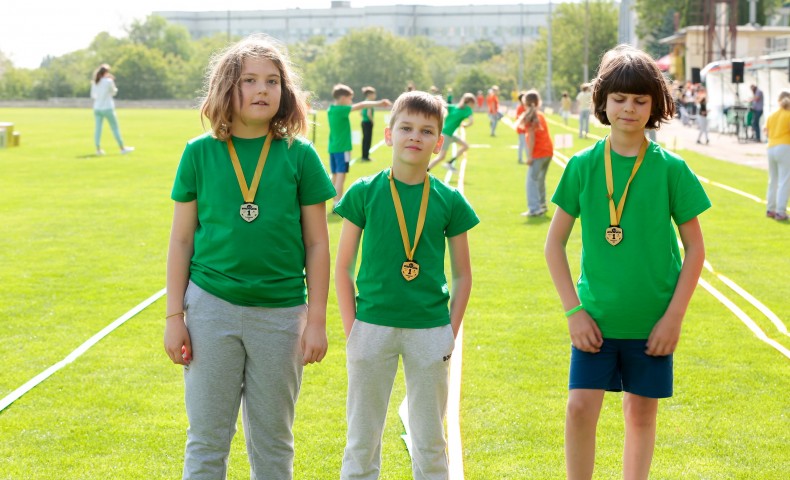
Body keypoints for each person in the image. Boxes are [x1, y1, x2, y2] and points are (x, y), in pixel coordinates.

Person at [163, 35, 337, 479]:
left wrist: (316, 318)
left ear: (286, 92)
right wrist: (173, 316)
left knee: (273, 442)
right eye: (250, 80)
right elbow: (181, 240)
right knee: (206, 439)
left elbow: (318, 244)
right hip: (209, 310)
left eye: (273, 81)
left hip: (280, 315)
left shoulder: (301, 156)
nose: (263, 90)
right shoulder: (198, 153)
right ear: (227, 88)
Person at [544, 45, 710, 480]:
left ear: (656, 105)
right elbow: (553, 245)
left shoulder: (672, 169)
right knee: (580, 409)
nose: (629, 108)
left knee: (640, 415)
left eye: (640, 100)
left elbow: (696, 249)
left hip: (652, 324)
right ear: (602, 101)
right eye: (619, 98)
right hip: (594, 322)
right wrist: (574, 312)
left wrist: (673, 318)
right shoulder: (581, 166)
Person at [334, 90, 479, 480]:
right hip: (371, 327)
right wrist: (353, 328)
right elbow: (343, 266)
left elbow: (463, 273)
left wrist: (451, 329)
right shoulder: (364, 192)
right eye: (406, 128)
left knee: (431, 442)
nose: (415, 136)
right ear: (388, 134)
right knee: (361, 440)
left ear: (439, 142)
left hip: (430, 329)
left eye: (426, 130)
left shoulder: (450, 200)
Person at [328, 84, 392, 206]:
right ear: (342, 98)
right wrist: (380, 103)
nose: (351, 102)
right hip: (343, 149)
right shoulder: (342, 110)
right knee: (341, 176)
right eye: (350, 98)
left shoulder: (330, 109)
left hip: (333, 148)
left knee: (335, 175)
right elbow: (362, 105)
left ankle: (329, 200)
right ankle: (336, 203)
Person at [518, 89, 554, 217]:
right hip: (548, 151)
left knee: (531, 181)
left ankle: (534, 208)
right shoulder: (540, 114)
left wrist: (529, 156)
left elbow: (532, 138)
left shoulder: (530, 116)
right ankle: (542, 205)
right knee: (540, 179)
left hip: (539, 153)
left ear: (525, 103)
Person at [90, 64, 133, 155]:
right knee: (115, 128)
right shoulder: (108, 81)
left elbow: (93, 95)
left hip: (97, 108)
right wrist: (112, 81)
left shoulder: (95, 82)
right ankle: (122, 148)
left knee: (98, 129)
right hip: (107, 107)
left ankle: (98, 149)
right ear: (106, 72)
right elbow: (114, 92)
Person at [426, 93, 476, 171]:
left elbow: (442, 105)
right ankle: (426, 170)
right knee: (441, 156)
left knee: (465, 146)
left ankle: (450, 163)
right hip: (446, 134)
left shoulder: (454, 106)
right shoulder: (467, 109)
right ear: (470, 102)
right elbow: (471, 121)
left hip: (449, 133)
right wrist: (466, 125)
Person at [765, 89, 790, 221]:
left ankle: (770, 209)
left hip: (771, 146)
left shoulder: (772, 114)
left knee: (773, 180)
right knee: (784, 180)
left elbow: (766, 132)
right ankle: (780, 211)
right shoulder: (788, 114)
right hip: (785, 146)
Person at [360, 86, 377, 162]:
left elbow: (360, 113)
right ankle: (366, 157)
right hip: (367, 123)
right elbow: (369, 113)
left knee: (364, 140)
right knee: (368, 140)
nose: (375, 95)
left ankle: (364, 156)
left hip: (363, 122)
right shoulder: (370, 102)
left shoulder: (365, 102)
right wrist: (372, 121)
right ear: (369, 94)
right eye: (374, 94)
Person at [514, 91, 528, 164]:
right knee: (523, 144)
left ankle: (523, 158)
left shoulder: (523, 107)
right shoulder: (521, 108)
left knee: (523, 144)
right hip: (522, 129)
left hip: (524, 129)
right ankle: (521, 158)